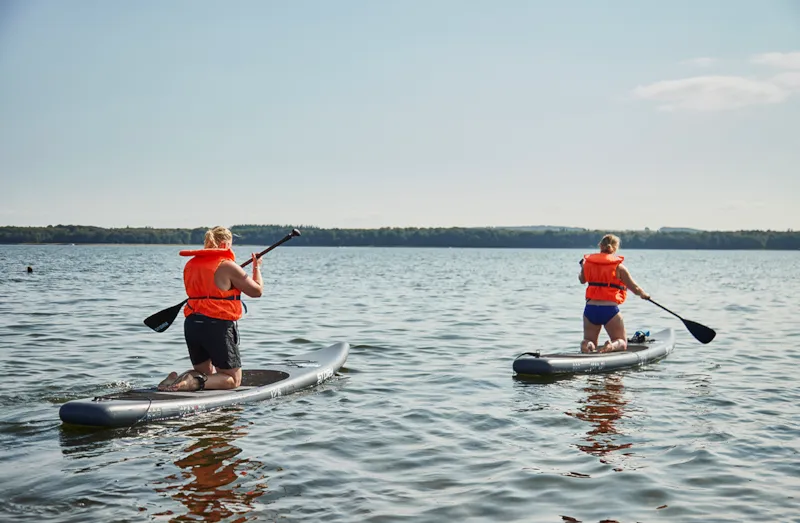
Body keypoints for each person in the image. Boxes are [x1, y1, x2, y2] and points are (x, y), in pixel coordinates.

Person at [158, 226, 263, 392]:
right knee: (232, 380)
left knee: (204, 374)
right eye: (230, 244)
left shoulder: (190, 264)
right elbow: (257, 291)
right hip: (216, 326)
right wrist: (256, 267)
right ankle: (190, 382)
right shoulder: (227, 265)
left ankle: (174, 380)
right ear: (224, 244)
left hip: (193, 324)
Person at [579, 234, 649, 353]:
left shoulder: (587, 264)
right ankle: (611, 346)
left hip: (590, 309)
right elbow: (635, 288)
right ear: (615, 248)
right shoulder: (619, 267)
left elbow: (582, 280)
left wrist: (583, 267)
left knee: (589, 340)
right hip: (609, 310)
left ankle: (586, 345)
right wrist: (644, 295)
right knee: (621, 341)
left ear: (600, 246)